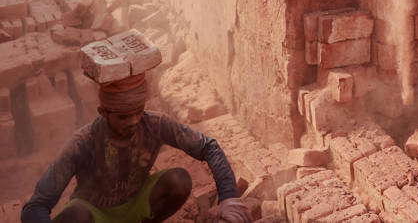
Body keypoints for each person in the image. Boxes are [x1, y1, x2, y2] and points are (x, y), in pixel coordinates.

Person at [21, 73, 250, 223]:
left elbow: (208, 146)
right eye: (122, 116)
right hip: (95, 214)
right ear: (103, 113)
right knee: (77, 215)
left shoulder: (154, 123)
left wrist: (228, 198)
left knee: (179, 180)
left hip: (136, 207)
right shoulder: (82, 142)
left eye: (138, 112)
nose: (133, 121)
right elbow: (36, 206)